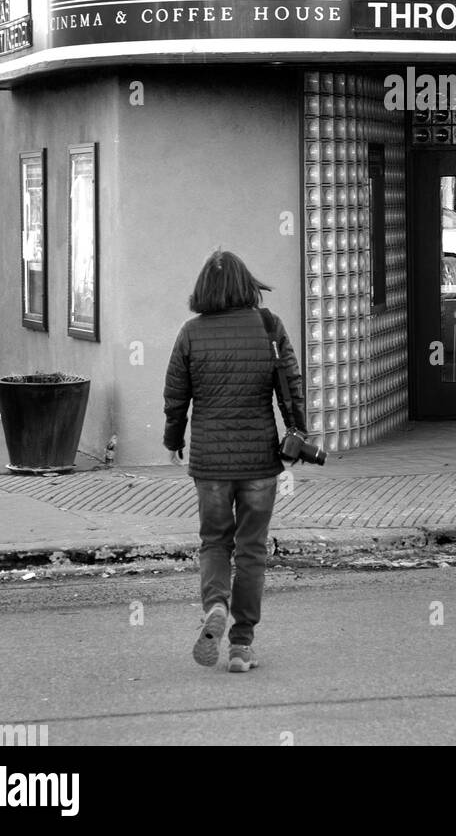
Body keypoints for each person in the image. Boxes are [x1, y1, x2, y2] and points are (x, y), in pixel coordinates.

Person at [163, 249, 307, 673]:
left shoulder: (191, 333)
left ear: (203, 290)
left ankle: (216, 604)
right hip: (260, 460)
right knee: (251, 550)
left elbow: (176, 398)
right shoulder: (269, 325)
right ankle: (241, 645)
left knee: (213, 542)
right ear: (247, 285)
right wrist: (297, 434)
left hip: (210, 463)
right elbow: (291, 385)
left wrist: (173, 441)